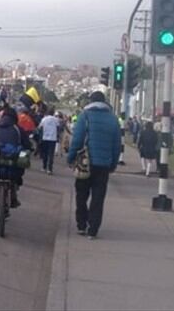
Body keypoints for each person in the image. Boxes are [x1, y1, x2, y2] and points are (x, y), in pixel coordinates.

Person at [67, 91, 121, 240]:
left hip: (85, 163)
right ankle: (93, 229)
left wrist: (70, 158)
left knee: (81, 194)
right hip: (103, 165)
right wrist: (113, 164)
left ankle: (81, 224)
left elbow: (77, 140)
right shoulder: (113, 119)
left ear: (90, 101)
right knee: (98, 197)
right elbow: (117, 146)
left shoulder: (84, 116)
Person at [0, 105, 31, 209]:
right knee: (19, 166)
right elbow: (27, 144)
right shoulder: (18, 129)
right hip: (12, 157)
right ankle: (13, 196)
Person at [38, 107, 59, 175]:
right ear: (53, 113)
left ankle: (44, 167)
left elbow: (40, 127)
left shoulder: (44, 119)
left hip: (45, 137)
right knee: (51, 154)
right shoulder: (56, 119)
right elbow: (58, 127)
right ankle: (49, 169)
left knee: (45, 153)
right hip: (53, 138)